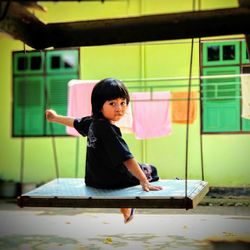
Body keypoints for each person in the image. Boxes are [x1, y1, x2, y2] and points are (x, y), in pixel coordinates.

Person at [45, 78, 162, 223]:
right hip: (113, 181)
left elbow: (74, 122)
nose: (119, 108)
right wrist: (144, 181)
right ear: (100, 106)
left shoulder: (92, 123)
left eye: (123, 103)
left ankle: (125, 204)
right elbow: (127, 158)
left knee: (139, 168)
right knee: (151, 169)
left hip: (94, 180)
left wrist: (55, 118)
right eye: (112, 103)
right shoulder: (108, 129)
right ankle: (126, 203)